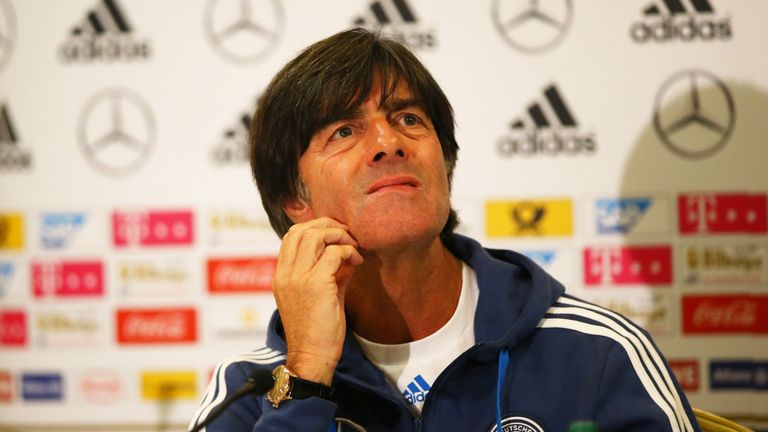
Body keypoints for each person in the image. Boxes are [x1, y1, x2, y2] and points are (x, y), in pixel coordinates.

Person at [189, 28, 700, 432]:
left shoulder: (595, 353)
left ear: (445, 165)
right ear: (294, 199)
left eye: (408, 118)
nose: (389, 143)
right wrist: (305, 377)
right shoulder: (249, 391)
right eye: (345, 130)